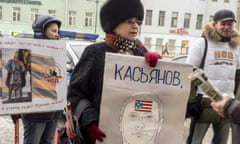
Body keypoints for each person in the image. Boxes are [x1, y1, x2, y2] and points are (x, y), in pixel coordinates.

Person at [66, 0, 161, 143]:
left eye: (137, 22)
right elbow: (75, 93)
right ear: (114, 24)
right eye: (129, 21)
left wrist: (157, 68)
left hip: (134, 132)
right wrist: (90, 122)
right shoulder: (95, 53)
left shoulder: (141, 52)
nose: (135, 26)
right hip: (102, 134)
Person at [185, 9, 240, 144]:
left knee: (221, 141)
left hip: (228, 104)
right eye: (223, 24)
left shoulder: (236, 47)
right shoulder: (201, 43)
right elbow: (189, 72)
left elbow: (238, 76)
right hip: (203, 102)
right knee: (195, 141)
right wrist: (190, 101)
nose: (227, 27)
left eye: (230, 24)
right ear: (214, 24)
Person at [21, 14, 62, 144]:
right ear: (42, 31)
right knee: (33, 141)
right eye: (53, 31)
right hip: (35, 112)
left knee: (48, 140)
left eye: (58, 31)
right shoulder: (27, 53)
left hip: (54, 109)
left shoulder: (57, 52)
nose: (57, 34)